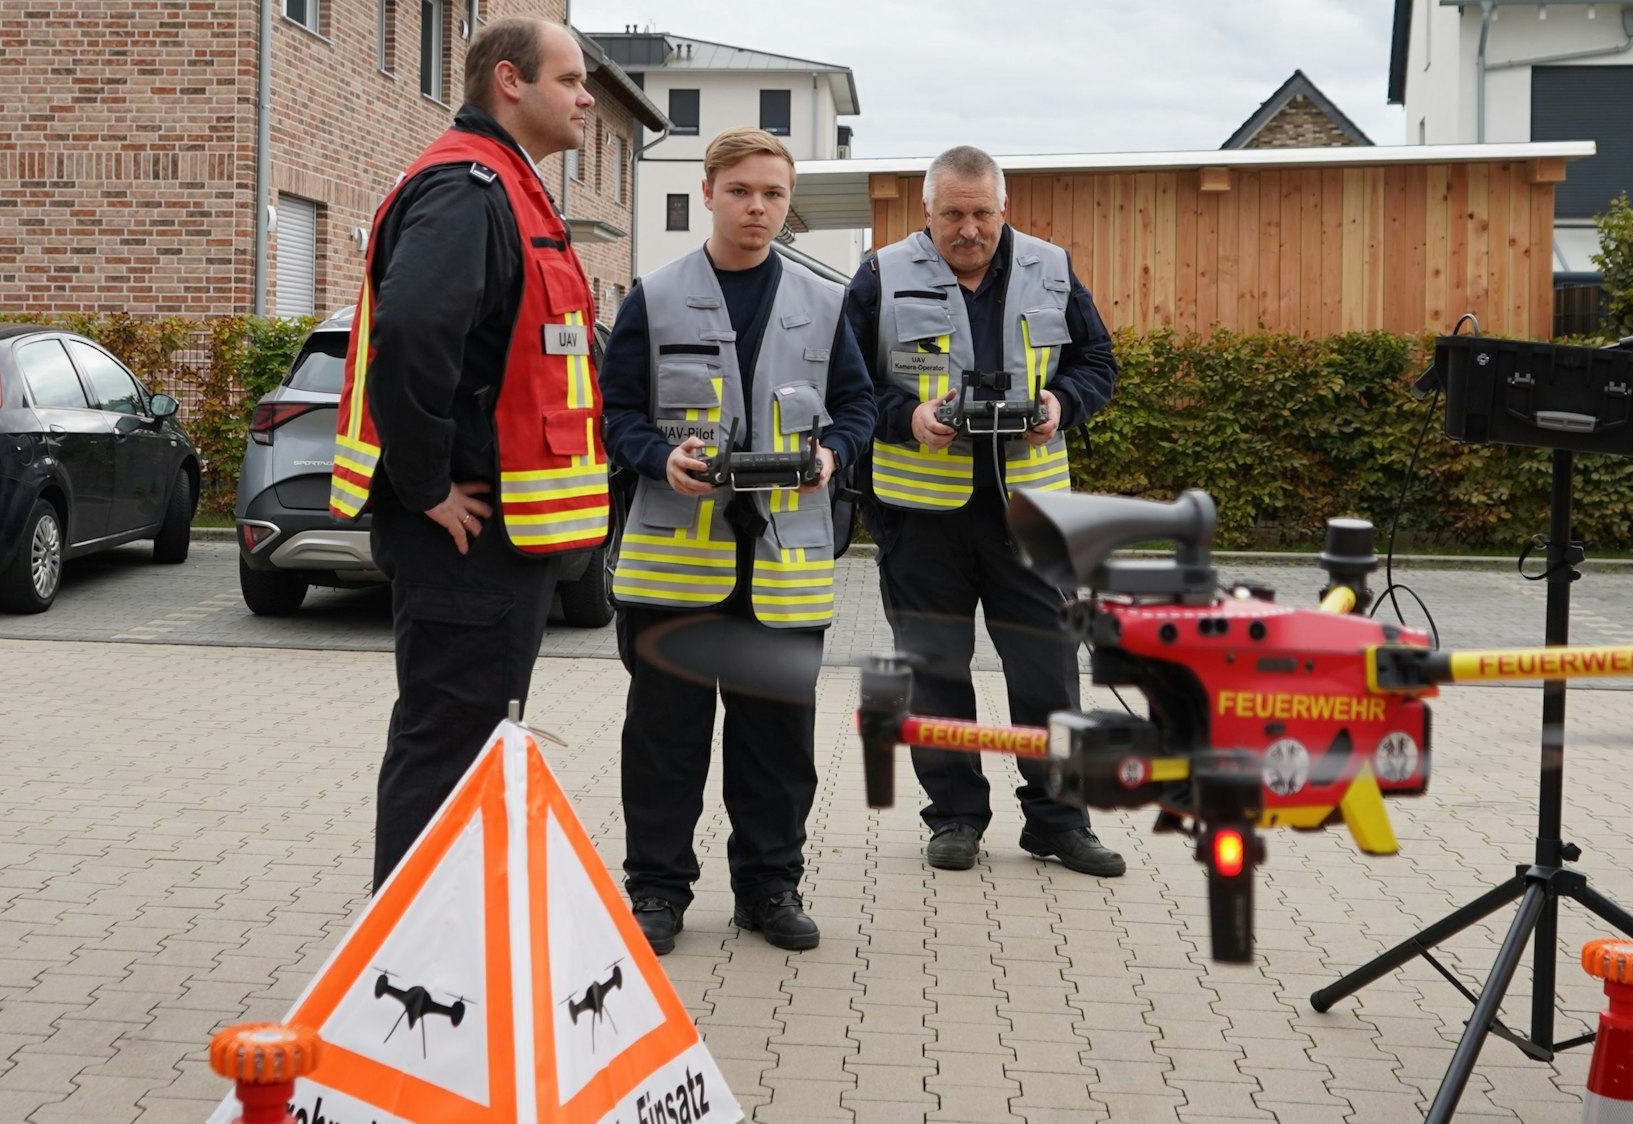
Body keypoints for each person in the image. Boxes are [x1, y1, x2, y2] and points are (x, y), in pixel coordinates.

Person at [330, 17, 609, 890]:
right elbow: (413, 339)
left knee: (471, 737)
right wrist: (426, 487)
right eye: (570, 80)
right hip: (467, 535)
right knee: (448, 743)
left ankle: (447, 933)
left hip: (496, 537)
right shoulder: (468, 189)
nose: (587, 99)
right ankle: (406, 947)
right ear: (509, 81)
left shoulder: (506, 185)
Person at [602, 128, 875, 954]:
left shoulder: (824, 301)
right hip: (674, 566)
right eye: (741, 191)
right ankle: (656, 891)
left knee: (777, 745)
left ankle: (768, 889)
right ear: (709, 194)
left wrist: (832, 454)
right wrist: (659, 458)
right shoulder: (654, 296)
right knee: (665, 741)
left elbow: (858, 406)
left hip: (784, 567)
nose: (758, 207)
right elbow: (615, 413)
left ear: (789, 204)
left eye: (773, 194)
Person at [848, 146, 1124, 877]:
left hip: (1028, 511)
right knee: (935, 672)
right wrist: (907, 418)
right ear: (927, 212)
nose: (968, 229)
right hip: (920, 514)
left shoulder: (1051, 268)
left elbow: (1098, 363)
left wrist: (1062, 404)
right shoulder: (881, 275)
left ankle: (1059, 821)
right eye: (953, 215)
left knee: (1047, 672)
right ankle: (956, 817)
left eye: (981, 213)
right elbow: (846, 385)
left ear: (1004, 208)